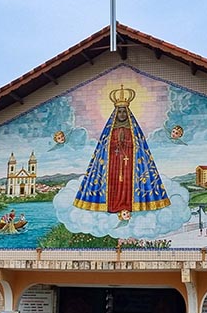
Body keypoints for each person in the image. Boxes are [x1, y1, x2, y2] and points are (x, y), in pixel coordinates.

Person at [73, 84, 170, 217]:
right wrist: (115, 144)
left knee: (129, 184)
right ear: (116, 113)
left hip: (131, 163)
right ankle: (113, 206)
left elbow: (140, 147)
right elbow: (103, 147)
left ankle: (129, 206)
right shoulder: (109, 130)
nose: (122, 114)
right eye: (120, 111)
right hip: (112, 163)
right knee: (113, 184)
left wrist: (127, 143)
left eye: (124, 111)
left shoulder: (134, 130)